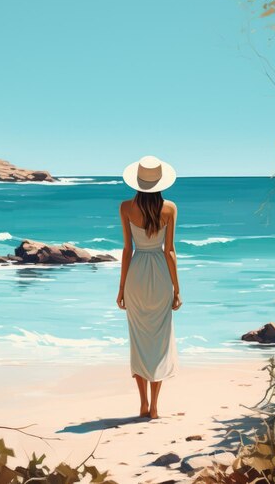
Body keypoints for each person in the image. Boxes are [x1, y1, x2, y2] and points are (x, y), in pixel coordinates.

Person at [116, 155, 182, 420]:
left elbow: (126, 250)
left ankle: (142, 403)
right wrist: (177, 288)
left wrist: (121, 288)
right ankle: (155, 406)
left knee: (139, 341)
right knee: (160, 342)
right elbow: (170, 252)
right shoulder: (170, 208)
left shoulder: (125, 207)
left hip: (136, 276)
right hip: (160, 276)